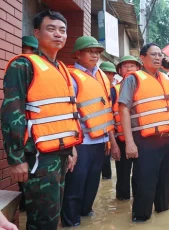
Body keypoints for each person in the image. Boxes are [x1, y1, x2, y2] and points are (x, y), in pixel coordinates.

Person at [1, 10, 83, 230]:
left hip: (61, 154)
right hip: (38, 158)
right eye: (51, 29)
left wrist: (71, 148)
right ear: (36, 33)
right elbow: (12, 113)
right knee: (42, 220)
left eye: (62, 30)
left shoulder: (62, 69)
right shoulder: (23, 65)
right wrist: (16, 158)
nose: (58, 34)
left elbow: (65, 113)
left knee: (52, 215)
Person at [118, 43, 169, 222]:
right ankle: (141, 220)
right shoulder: (133, 79)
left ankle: (162, 218)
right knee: (144, 183)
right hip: (144, 140)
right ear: (142, 58)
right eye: (153, 54)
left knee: (165, 183)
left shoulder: (167, 78)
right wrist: (129, 143)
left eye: (160, 55)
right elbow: (123, 109)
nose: (157, 58)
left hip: (167, 140)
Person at [61, 36, 120, 227]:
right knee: (75, 186)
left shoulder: (102, 75)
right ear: (78, 54)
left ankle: (86, 218)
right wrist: (71, 146)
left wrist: (111, 141)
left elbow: (107, 111)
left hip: (100, 141)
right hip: (81, 143)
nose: (95, 55)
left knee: (92, 185)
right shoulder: (70, 77)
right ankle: (71, 222)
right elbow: (65, 112)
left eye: (97, 52)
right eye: (90, 51)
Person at [111, 55, 141, 200]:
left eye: (132, 65)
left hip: (141, 139)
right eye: (125, 66)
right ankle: (122, 206)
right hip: (121, 139)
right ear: (119, 71)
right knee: (123, 176)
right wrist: (113, 144)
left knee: (141, 174)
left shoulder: (144, 87)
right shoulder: (113, 90)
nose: (129, 68)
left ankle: (139, 201)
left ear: (138, 68)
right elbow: (108, 118)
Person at [18, 36, 39, 212]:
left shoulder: (37, 72)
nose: (28, 53)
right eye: (25, 48)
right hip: (24, 143)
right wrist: (16, 158)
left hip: (39, 143)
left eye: (32, 50)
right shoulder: (19, 68)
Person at [99, 61, 118, 180]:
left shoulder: (114, 90)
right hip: (99, 134)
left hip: (112, 133)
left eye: (110, 73)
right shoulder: (96, 90)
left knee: (106, 167)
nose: (108, 76)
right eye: (105, 73)